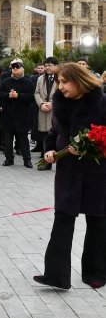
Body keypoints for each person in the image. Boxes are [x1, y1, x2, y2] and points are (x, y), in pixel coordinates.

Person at [34, 63, 106, 290]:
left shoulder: (101, 102)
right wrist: (50, 149)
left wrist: (89, 145)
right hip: (68, 172)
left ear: (79, 80)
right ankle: (56, 275)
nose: (60, 86)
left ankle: (95, 272)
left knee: (98, 221)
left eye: (65, 81)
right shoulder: (60, 103)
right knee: (63, 219)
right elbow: (55, 132)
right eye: (58, 82)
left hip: (97, 173)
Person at [0, 59, 34, 168]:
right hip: (8, 116)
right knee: (8, 139)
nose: (15, 69)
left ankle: (27, 160)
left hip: (22, 116)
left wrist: (19, 96)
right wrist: (8, 95)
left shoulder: (28, 82)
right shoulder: (6, 81)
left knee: (23, 139)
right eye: (13, 68)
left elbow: (32, 97)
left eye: (18, 67)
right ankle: (9, 159)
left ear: (23, 69)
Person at [33, 57, 59, 169]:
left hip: (55, 110)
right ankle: (46, 162)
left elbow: (62, 92)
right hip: (43, 110)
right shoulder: (40, 78)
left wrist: (53, 103)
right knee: (44, 136)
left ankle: (56, 159)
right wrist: (41, 104)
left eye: (50, 65)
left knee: (54, 135)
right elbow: (36, 93)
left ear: (56, 66)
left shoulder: (60, 78)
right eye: (46, 65)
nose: (47, 67)